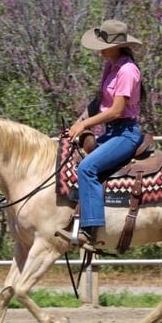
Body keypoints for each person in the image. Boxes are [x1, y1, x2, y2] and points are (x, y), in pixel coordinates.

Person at [63, 19, 145, 247]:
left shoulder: (128, 70)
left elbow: (117, 110)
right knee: (75, 157)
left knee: (87, 167)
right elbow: (100, 101)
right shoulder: (111, 66)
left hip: (126, 134)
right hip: (113, 132)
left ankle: (90, 231)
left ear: (116, 45)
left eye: (102, 44)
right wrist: (77, 123)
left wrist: (85, 124)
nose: (99, 49)